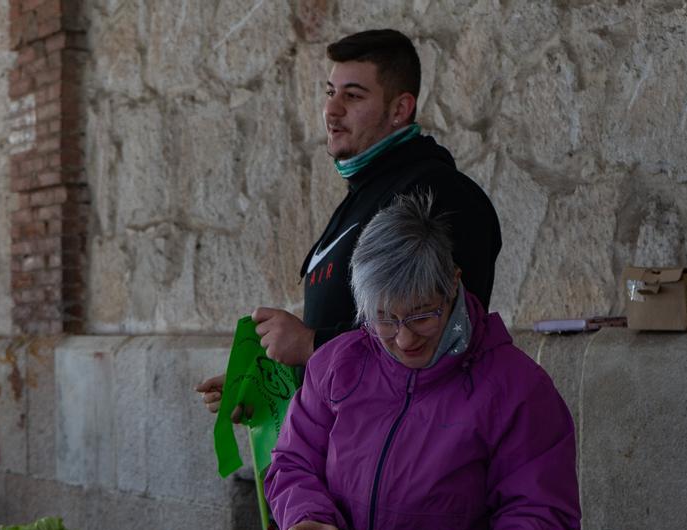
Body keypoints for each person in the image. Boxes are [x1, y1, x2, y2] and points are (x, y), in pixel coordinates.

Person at [263, 191, 578, 530]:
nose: (404, 338)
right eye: (384, 319)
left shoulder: (516, 388)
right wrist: (310, 518)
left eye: (423, 316)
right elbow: (292, 462)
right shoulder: (336, 366)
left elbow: (537, 506)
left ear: (453, 282)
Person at [197, 28, 501, 411]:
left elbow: (442, 337)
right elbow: (346, 342)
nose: (332, 109)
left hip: (408, 454)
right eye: (329, 93)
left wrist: (310, 344)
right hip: (342, 449)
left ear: (399, 109)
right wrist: (274, 386)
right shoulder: (363, 195)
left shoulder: (437, 194)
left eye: (353, 96)